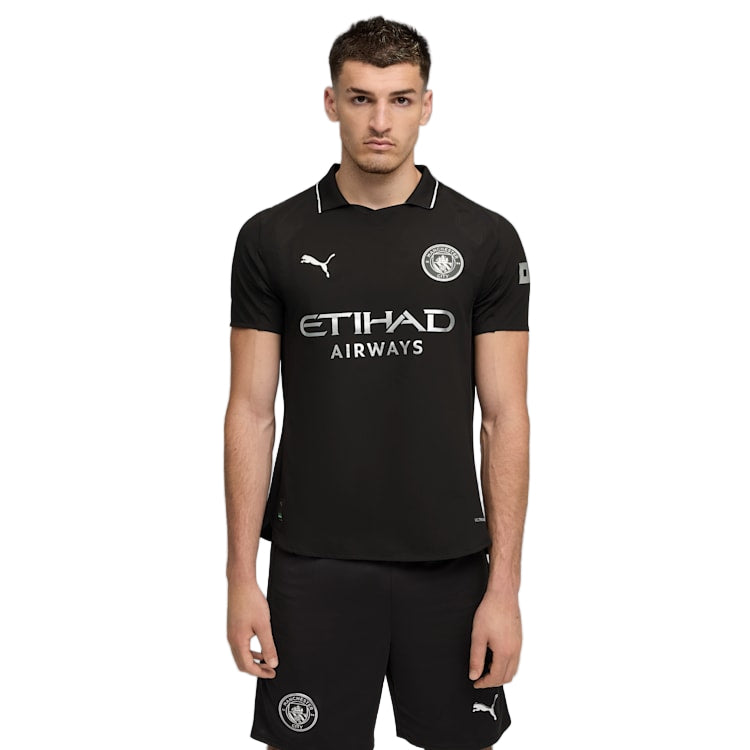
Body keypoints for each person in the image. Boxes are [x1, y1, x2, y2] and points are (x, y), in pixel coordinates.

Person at [224, 16, 530, 750]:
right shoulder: (273, 237)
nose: (381, 122)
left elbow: (505, 418)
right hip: (313, 563)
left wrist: (505, 589)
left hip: (450, 566)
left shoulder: (484, 238)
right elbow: (250, 412)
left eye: (400, 99)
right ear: (332, 102)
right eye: (361, 99)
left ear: (428, 105)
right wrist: (240, 577)